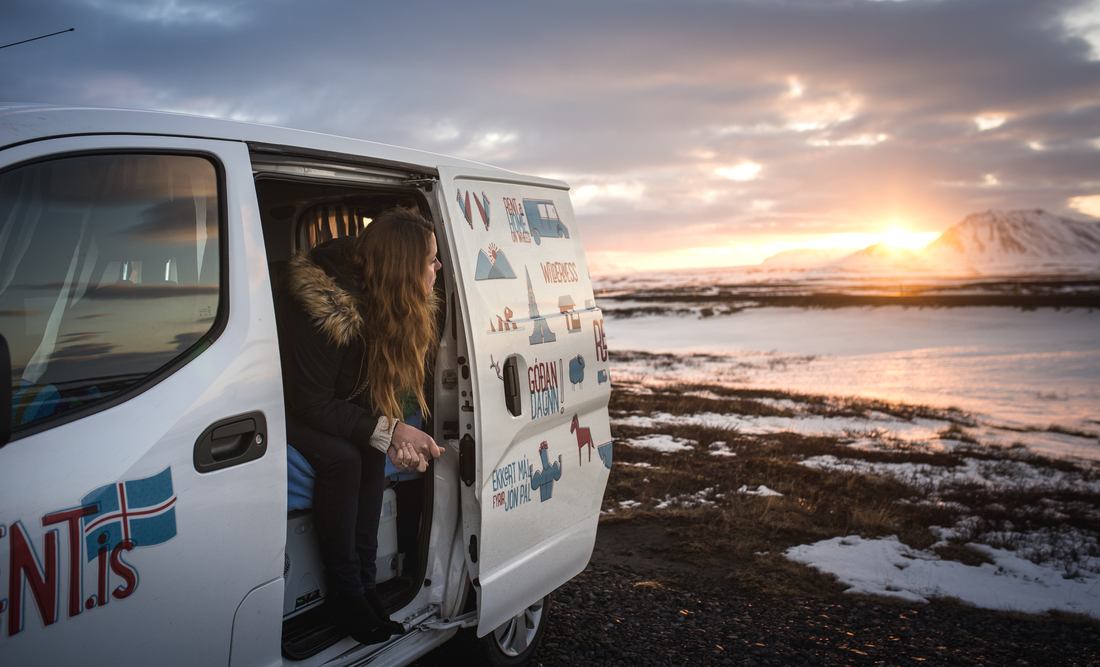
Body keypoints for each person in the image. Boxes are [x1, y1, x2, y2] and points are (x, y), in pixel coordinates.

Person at [282, 206, 444, 644]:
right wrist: (391, 431)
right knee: (342, 459)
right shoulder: (328, 310)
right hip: (285, 406)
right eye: (431, 260)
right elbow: (309, 401)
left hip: (330, 405)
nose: (439, 267)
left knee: (369, 453)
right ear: (403, 267)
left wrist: (392, 437)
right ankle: (345, 593)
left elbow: (372, 394)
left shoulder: (393, 303)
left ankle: (366, 586)